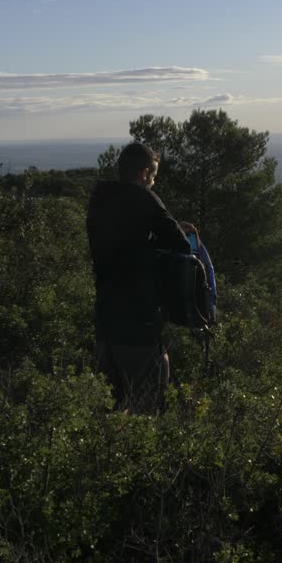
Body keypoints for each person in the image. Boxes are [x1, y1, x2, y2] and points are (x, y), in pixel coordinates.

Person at [86, 142, 189, 412]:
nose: (153, 181)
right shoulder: (144, 198)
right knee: (146, 405)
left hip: (105, 319)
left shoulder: (100, 197)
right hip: (137, 320)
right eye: (153, 176)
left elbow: (123, 242)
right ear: (144, 173)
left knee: (109, 405)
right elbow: (182, 245)